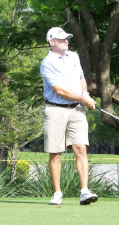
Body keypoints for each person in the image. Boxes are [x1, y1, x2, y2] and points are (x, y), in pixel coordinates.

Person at [40, 27, 98, 205]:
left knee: (81, 148)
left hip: (77, 109)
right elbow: (60, 90)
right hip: (55, 109)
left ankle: (84, 191)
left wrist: (85, 94)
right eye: (61, 39)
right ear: (51, 42)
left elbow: (81, 77)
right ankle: (57, 193)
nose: (65, 40)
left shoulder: (73, 56)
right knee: (56, 153)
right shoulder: (47, 62)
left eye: (66, 38)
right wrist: (83, 98)